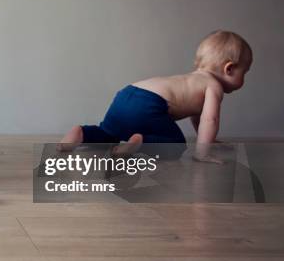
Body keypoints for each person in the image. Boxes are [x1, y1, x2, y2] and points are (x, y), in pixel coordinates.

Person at [59, 30, 252, 162]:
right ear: (229, 68)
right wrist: (203, 152)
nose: (244, 78)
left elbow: (200, 118)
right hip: (150, 104)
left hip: (127, 93)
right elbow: (210, 119)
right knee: (176, 145)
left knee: (109, 133)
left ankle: (82, 134)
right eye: (245, 72)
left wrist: (209, 140)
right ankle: (140, 143)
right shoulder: (214, 86)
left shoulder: (195, 80)